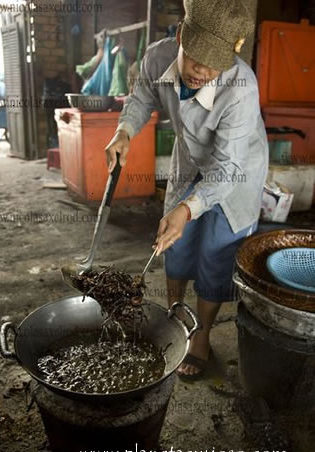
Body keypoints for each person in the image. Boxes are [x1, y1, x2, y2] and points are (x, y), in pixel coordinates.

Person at [105, 0, 269, 380]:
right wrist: (124, 130)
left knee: (215, 252)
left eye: (215, 63)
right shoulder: (157, 57)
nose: (202, 70)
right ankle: (177, 320)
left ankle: (202, 336)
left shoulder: (241, 88)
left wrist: (188, 208)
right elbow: (142, 96)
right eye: (196, 57)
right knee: (173, 245)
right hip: (190, 160)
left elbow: (227, 167)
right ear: (180, 36)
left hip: (236, 170)